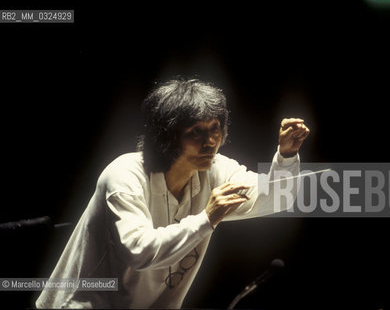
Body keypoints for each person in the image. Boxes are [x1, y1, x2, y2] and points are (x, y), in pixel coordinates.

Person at [35, 78, 310, 309]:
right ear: (167, 136)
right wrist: (206, 218)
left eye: (215, 128)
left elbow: (276, 198)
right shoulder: (123, 175)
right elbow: (140, 252)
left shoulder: (216, 169)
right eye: (196, 132)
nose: (210, 141)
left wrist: (286, 155)